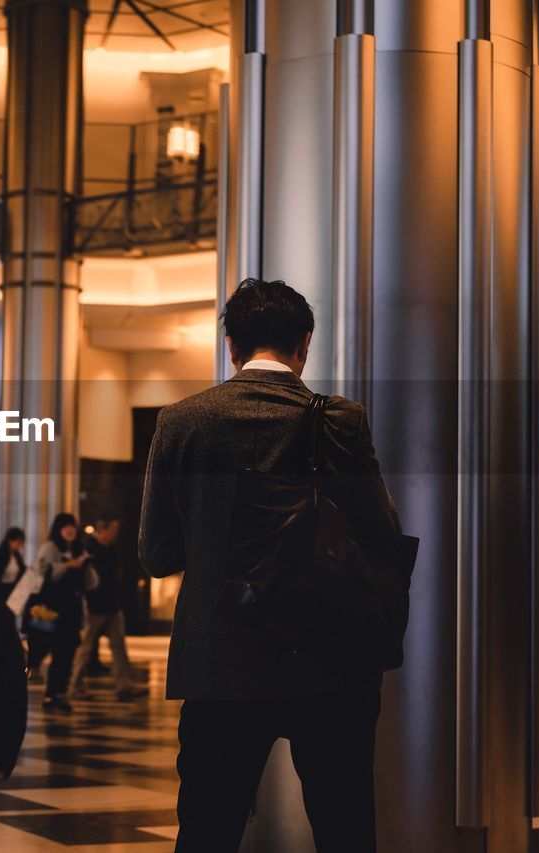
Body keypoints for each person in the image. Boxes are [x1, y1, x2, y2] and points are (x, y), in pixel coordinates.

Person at [139, 278, 402, 853]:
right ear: (305, 343)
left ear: (231, 346)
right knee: (345, 829)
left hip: (219, 661)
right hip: (329, 658)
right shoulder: (341, 421)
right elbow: (380, 533)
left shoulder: (180, 422)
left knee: (208, 831)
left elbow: (156, 553)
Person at [25, 513, 97, 713]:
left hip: (71, 611)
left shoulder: (78, 550)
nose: (70, 530)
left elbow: (91, 584)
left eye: (73, 526)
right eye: (66, 526)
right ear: (58, 528)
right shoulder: (50, 548)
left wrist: (87, 568)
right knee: (45, 651)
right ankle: (47, 693)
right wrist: (66, 566)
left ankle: (58, 694)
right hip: (52, 609)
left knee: (66, 653)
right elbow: (40, 573)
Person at [70, 517, 146, 701]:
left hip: (112, 605)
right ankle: (74, 685)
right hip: (94, 606)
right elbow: (84, 579)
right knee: (84, 648)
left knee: (119, 646)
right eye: (113, 530)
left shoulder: (111, 548)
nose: (115, 534)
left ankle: (125, 685)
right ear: (102, 530)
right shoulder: (89, 550)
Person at [0, 527, 26, 603]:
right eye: (18, 541)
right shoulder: (0, 555)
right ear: (9, 540)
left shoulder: (16, 555)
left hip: (13, 590)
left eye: (21, 542)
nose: (20, 544)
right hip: (1, 591)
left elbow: (22, 570)